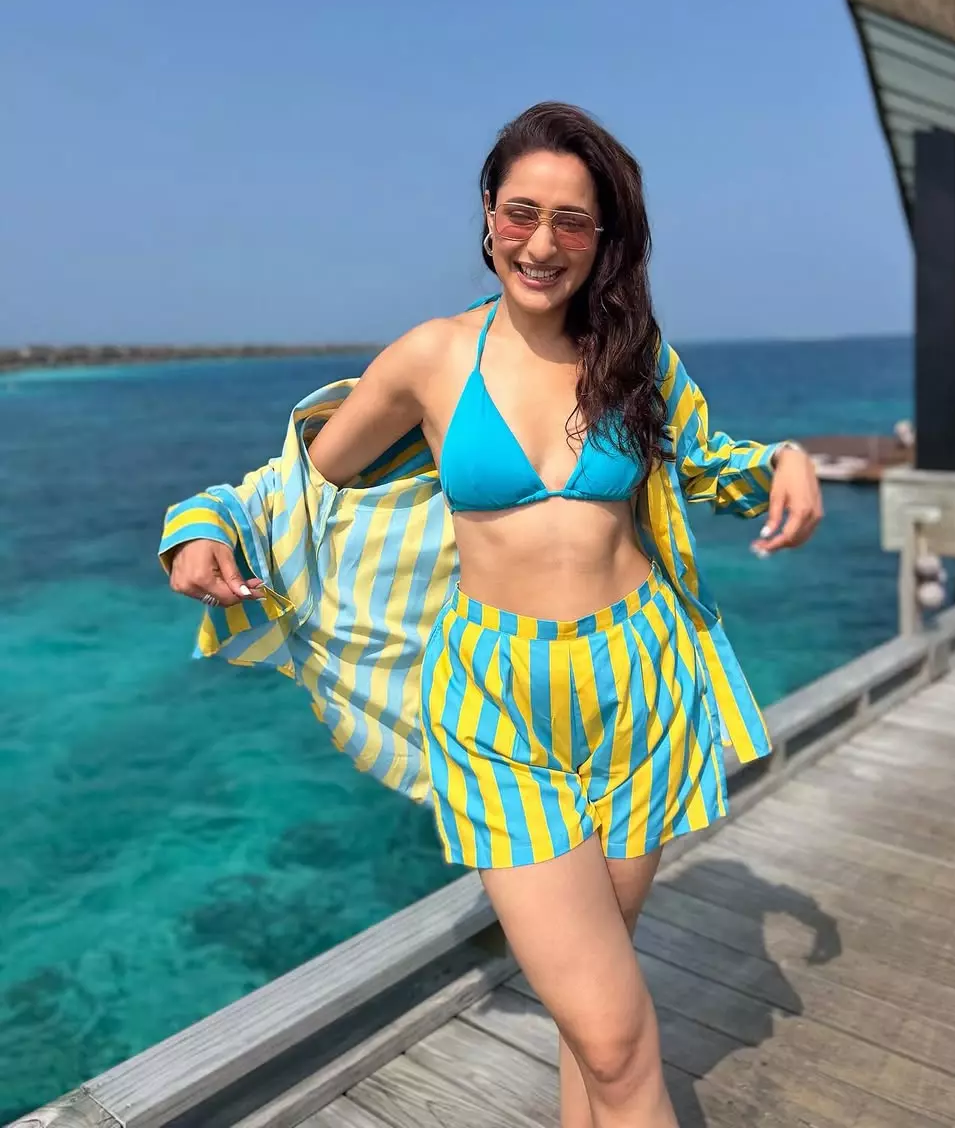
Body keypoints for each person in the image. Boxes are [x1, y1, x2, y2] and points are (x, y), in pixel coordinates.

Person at [161, 102, 822, 1128]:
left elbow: (707, 461)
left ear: (603, 238)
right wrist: (202, 527)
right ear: (487, 212)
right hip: (497, 707)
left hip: (641, 688)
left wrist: (783, 460)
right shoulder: (431, 358)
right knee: (618, 1037)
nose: (542, 245)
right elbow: (300, 480)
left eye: (572, 222)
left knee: (594, 1028)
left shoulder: (633, 354)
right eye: (523, 213)